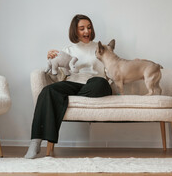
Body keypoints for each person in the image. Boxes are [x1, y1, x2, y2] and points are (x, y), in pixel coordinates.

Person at [25, 14, 112, 159]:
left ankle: (64, 99)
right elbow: (56, 77)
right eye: (82, 28)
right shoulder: (68, 51)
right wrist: (50, 60)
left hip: (96, 83)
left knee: (99, 83)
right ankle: (35, 141)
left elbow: (112, 68)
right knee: (48, 90)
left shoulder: (101, 48)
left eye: (89, 28)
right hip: (74, 83)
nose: (87, 31)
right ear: (75, 31)